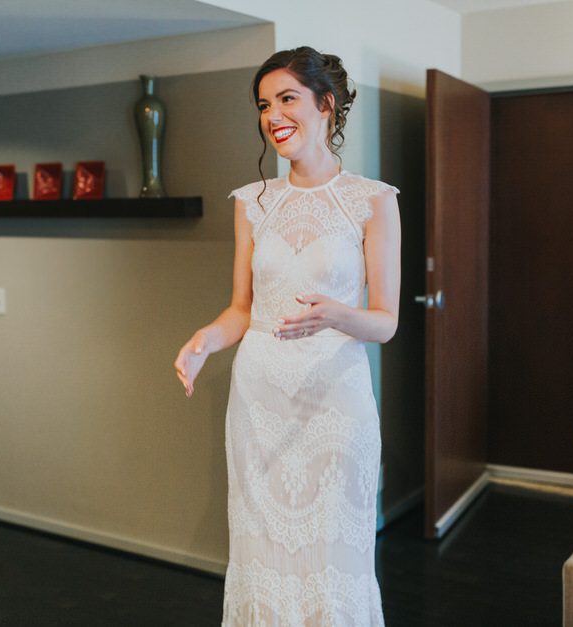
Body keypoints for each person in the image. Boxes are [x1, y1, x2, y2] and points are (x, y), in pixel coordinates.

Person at [174, 46, 400, 626]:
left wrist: (337, 315)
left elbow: (385, 321)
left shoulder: (373, 201)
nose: (272, 115)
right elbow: (240, 310)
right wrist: (205, 340)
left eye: (287, 99)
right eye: (263, 104)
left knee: (335, 557)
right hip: (260, 405)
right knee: (263, 554)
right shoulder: (252, 203)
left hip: (336, 403)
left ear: (326, 105)